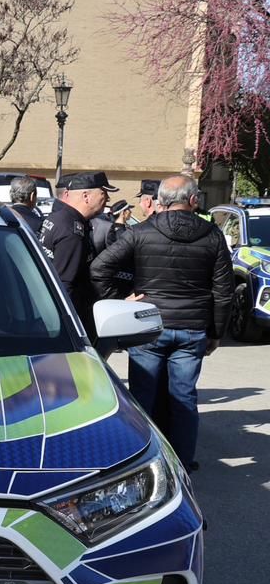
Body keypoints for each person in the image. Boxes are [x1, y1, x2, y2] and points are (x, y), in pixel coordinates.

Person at [91, 174, 233, 473]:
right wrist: (216, 332)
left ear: (161, 201)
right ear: (193, 200)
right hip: (192, 327)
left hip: (148, 325)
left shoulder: (141, 231)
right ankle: (182, 461)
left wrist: (120, 300)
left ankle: (143, 461)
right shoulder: (213, 235)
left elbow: (100, 267)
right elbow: (224, 291)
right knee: (184, 397)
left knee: (143, 396)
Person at [39, 170, 115, 338]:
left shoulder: (58, 218)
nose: (108, 199)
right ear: (86, 196)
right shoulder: (72, 230)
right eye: (103, 193)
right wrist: (70, 330)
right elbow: (65, 284)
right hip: (65, 318)